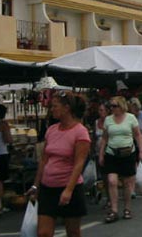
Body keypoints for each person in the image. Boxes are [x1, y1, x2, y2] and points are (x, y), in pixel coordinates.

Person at [27, 91, 91, 237]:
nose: (52, 109)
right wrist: (36, 185)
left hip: (69, 187)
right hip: (48, 188)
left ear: (66, 108)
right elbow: (44, 160)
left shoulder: (80, 132)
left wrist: (68, 190)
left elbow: (78, 164)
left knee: (73, 232)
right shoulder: (51, 130)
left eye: (55, 106)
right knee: (43, 233)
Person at [99, 96, 142, 223]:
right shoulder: (108, 120)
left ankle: (127, 208)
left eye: (115, 106)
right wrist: (101, 154)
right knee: (112, 181)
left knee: (127, 183)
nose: (112, 108)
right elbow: (104, 138)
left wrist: (141, 151)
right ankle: (114, 210)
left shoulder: (131, 118)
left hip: (127, 153)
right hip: (112, 153)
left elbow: (137, 135)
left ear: (121, 106)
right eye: (111, 106)